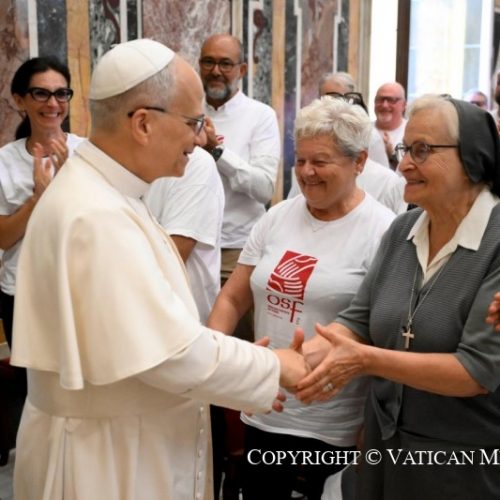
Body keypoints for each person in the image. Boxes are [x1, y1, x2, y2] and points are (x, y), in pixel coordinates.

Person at [10, 39, 309, 500]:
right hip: (107, 458)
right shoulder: (96, 213)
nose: (198, 139)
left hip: (124, 439)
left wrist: (243, 369)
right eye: (193, 123)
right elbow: (168, 354)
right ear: (143, 123)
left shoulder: (108, 192)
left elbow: (157, 330)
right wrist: (273, 367)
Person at [296, 95, 500, 500]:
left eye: (421, 151)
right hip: (383, 448)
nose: (403, 164)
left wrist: (366, 360)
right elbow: (358, 319)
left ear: (471, 159)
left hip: (462, 465)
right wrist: (300, 359)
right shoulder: (403, 229)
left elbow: (476, 371)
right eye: (405, 149)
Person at [207, 97, 395, 500]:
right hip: (264, 407)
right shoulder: (276, 217)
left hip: (332, 426)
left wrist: (372, 425)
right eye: (301, 160)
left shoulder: (383, 231)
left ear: (359, 161)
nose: (307, 172)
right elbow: (233, 299)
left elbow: (380, 331)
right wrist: (217, 362)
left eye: (321, 161)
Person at [198, 32, 281, 498]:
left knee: (239, 364)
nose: (216, 71)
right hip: (189, 248)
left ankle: (242, 466)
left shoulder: (259, 116)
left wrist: (218, 153)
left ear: (243, 69)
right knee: (199, 360)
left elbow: (265, 187)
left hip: (238, 254)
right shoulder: (185, 110)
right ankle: (205, 458)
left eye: (226, 63)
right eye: (208, 62)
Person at [0, 56, 83, 349]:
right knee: (29, 376)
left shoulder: (88, 153)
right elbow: (3, 238)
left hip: (77, 287)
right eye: (41, 94)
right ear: (20, 100)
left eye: (61, 94)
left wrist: (68, 184)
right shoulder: (4, 161)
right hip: (22, 291)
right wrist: (37, 199)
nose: (53, 103)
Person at [144, 146, 224, 323]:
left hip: (179, 320)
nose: (200, 139)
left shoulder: (196, 162)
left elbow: (172, 259)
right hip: (138, 310)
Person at [318, 72, 388, 167]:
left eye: (338, 98)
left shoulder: (369, 136)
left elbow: (382, 172)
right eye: (328, 98)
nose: (333, 104)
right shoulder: (309, 131)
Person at [373, 82, 407, 169]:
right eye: (380, 100)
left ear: (403, 105)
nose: (384, 105)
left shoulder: (411, 131)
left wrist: (392, 156)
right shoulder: (363, 130)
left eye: (391, 100)